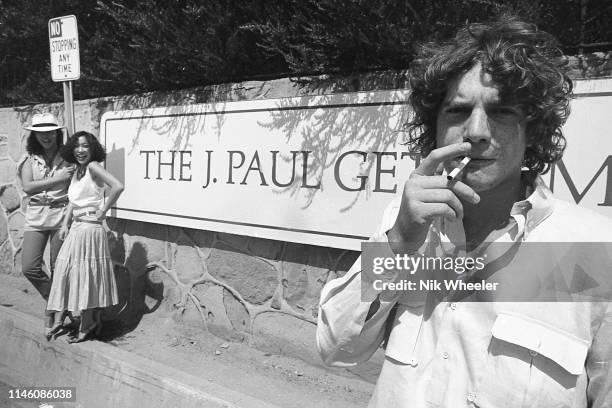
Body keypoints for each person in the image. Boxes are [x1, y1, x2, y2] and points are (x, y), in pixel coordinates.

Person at [316, 16, 612, 408]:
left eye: (501, 111)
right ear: (434, 128)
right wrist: (400, 242)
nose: (475, 131)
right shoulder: (406, 226)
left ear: (532, 130)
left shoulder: (595, 249)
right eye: (457, 111)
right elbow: (336, 348)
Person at [46, 131, 124, 343]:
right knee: (66, 270)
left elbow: (118, 186)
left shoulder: (93, 167)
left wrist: (104, 210)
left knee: (86, 274)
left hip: (90, 228)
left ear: (92, 149)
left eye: (85, 146)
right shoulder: (78, 170)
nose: (80, 150)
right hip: (76, 228)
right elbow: (74, 200)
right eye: (77, 146)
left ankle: (88, 322)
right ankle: (72, 318)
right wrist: (64, 224)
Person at [17, 112, 75, 338]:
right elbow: (28, 187)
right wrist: (59, 179)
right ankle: (59, 303)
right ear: (34, 135)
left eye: (50, 131)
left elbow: (77, 183)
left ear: (56, 132)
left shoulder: (68, 156)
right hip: (37, 217)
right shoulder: (28, 159)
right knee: (29, 267)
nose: (46, 136)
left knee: (58, 267)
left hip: (62, 216)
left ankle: (54, 311)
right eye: (41, 133)